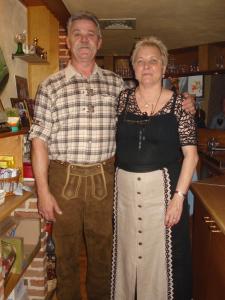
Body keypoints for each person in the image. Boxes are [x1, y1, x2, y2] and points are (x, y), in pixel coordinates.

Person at [29, 12, 195, 300]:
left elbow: (151, 101)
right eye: (77, 33)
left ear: (99, 42)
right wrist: (43, 191)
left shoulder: (117, 86)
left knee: (105, 256)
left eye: (90, 34)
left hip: (106, 180)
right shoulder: (49, 86)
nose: (84, 39)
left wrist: (185, 102)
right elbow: (39, 141)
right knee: (66, 256)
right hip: (62, 177)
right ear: (68, 41)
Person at [111, 36, 198, 300]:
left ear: (163, 67)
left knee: (164, 259)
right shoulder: (122, 99)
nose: (146, 66)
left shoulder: (180, 106)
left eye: (153, 61)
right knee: (127, 258)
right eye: (140, 61)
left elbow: (191, 156)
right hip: (125, 196)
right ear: (133, 67)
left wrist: (179, 198)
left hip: (163, 194)